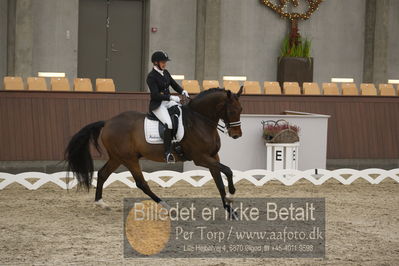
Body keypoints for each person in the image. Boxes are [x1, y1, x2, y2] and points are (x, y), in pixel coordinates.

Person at [146, 51, 190, 163]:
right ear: (156, 63)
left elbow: (174, 84)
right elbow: (155, 95)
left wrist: (182, 91)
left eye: (165, 62)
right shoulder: (151, 77)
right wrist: (171, 97)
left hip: (168, 102)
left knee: (181, 112)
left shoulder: (165, 73)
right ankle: (167, 152)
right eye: (163, 62)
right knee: (169, 124)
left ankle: (178, 142)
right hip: (158, 104)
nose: (165, 64)